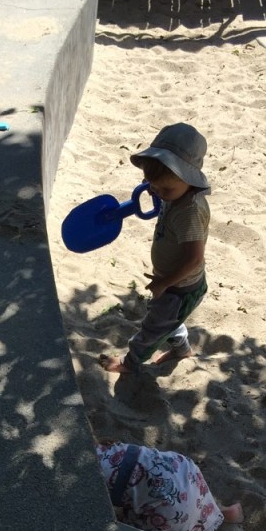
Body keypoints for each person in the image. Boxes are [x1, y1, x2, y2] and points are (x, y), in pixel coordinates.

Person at [98, 122, 211, 376]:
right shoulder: (176, 195)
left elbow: (194, 259)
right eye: (151, 184)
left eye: (165, 188)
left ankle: (128, 364)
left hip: (180, 287)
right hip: (172, 281)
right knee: (168, 321)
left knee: (153, 328)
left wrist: (165, 282)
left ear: (189, 180)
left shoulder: (189, 212)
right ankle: (182, 350)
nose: (157, 192)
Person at [96, 439, 243, 531]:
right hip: (182, 468)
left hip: (169, 510)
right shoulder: (103, 450)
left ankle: (192, 526)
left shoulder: (94, 476)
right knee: (185, 494)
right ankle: (220, 511)